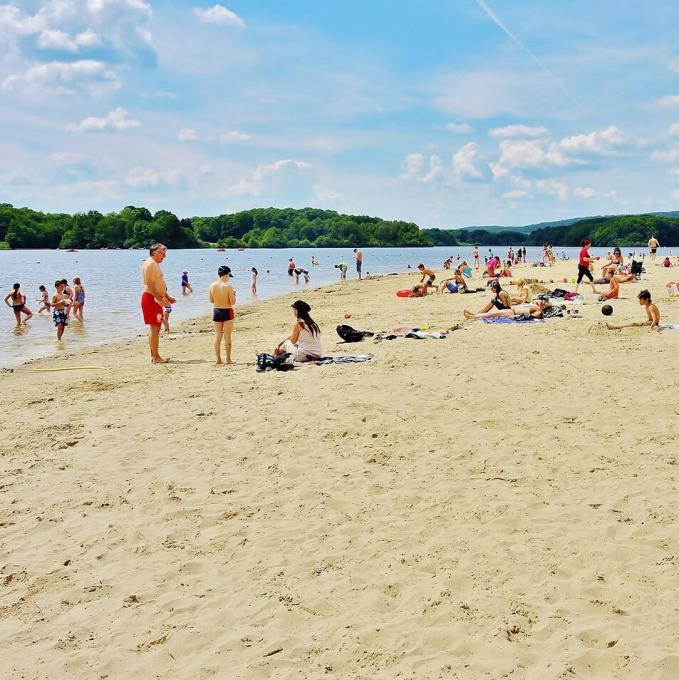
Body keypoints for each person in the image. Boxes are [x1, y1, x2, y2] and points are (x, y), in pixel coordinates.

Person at [141, 243, 176, 364]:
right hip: (151, 299)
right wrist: (160, 299)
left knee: (156, 327)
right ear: (155, 252)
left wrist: (167, 296)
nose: (164, 256)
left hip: (155, 298)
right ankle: (156, 357)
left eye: (165, 253)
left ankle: (155, 355)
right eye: (162, 253)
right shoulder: (150, 264)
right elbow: (149, 285)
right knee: (154, 328)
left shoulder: (154, 264)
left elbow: (159, 282)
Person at [209, 265, 236, 365]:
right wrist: (234, 294)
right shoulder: (228, 286)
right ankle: (228, 359)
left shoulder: (212, 286)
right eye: (229, 275)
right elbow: (232, 302)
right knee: (227, 336)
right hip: (227, 311)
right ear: (227, 274)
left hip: (216, 311)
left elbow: (211, 300)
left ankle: (218, 359)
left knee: (218, 336)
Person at [465, 299, 551, 320]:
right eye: (542, 301)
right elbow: (536, 301)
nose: (541, 302)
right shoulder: (536, 307)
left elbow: (530, 317)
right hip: (511, 311)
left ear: (544, 307)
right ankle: (474, 315)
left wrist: (514, 317)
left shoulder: (539, 311)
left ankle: (473, 316)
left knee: (492, 314)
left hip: (512, 313)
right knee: (493, 313)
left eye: (543, 303)